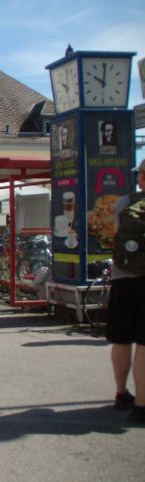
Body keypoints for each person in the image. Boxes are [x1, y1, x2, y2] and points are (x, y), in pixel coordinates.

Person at [106, 159, 145, 424]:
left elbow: (115, 235)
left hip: (122, 280)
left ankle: (121, 393)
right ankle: (142, 405)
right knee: (144, 343)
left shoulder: (123, 203)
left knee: (121, 339)